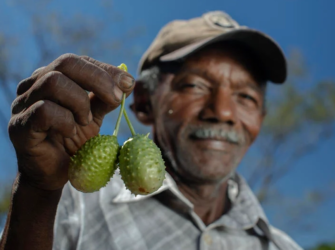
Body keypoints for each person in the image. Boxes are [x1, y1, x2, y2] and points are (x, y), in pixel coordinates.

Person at [0, 11, 303, 250]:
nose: (223, 112)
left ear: (260, 120)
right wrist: (37, 192)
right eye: (195, 85)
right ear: (143, 101)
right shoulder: (65, 205)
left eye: (246, 97)